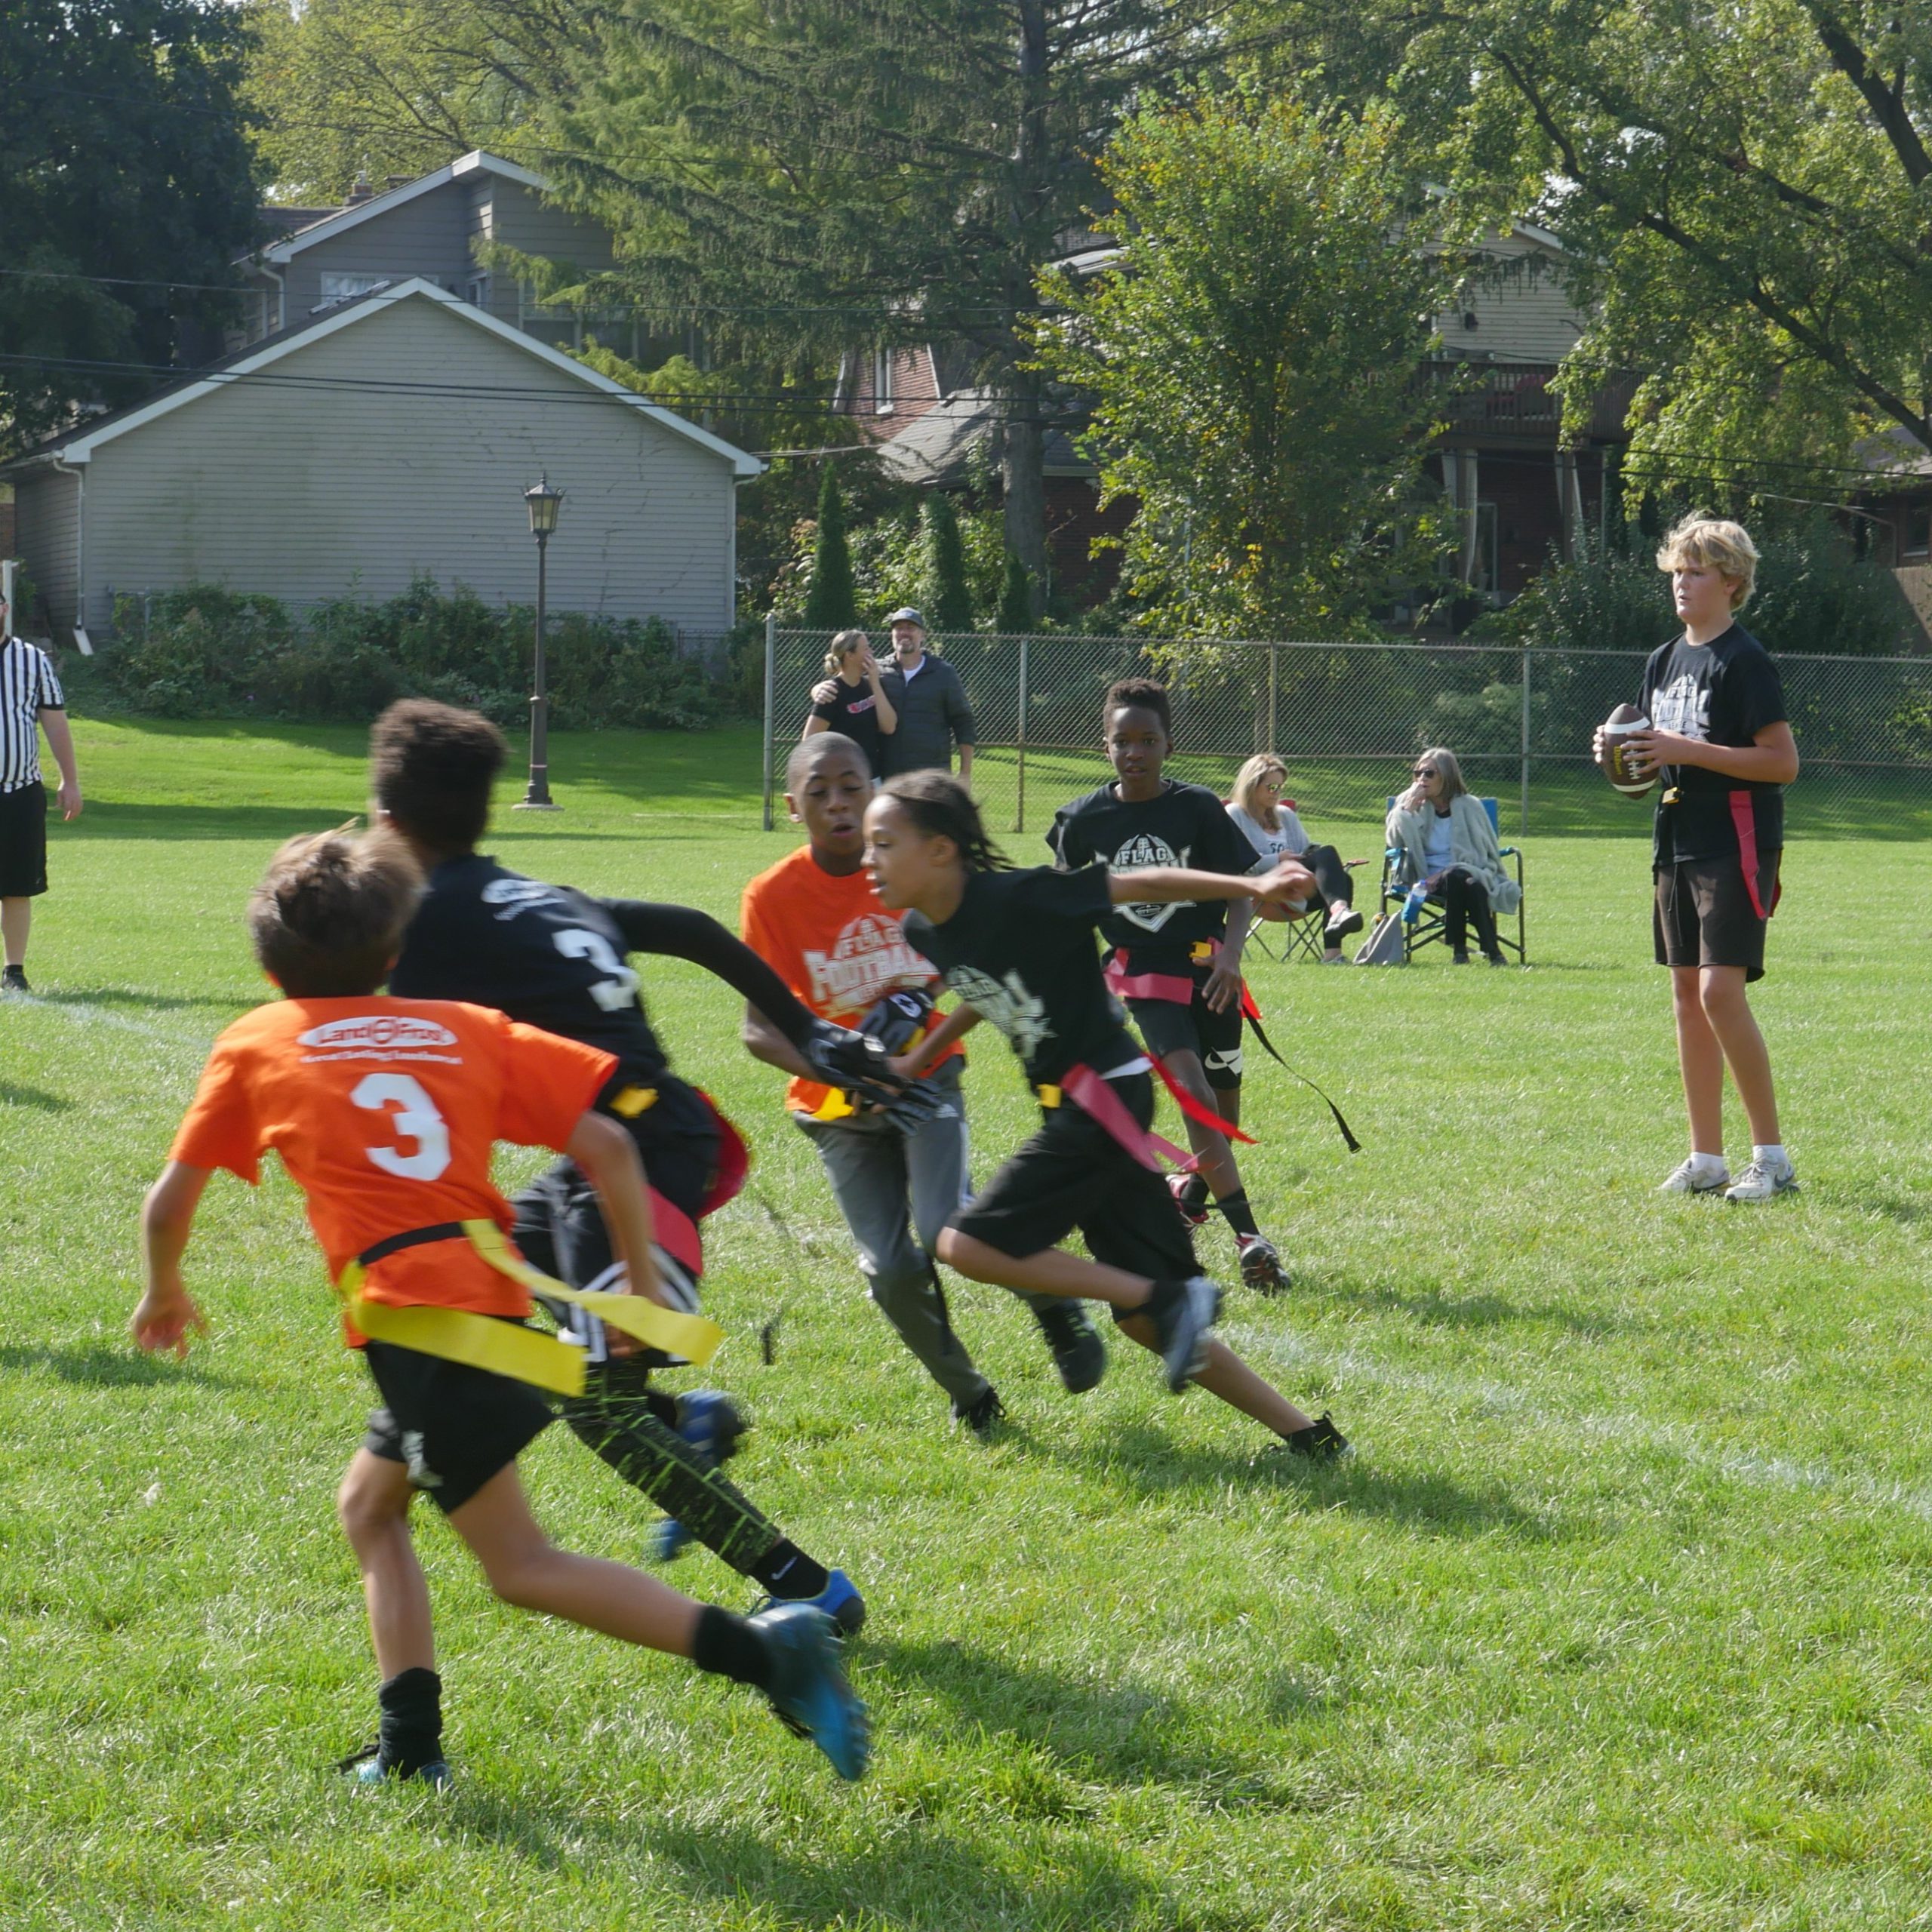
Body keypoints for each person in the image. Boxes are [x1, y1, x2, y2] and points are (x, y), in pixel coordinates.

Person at [131, 826, 869, 1786]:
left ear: (269, 963)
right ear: (394, 952)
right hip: (481, 1301)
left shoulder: (256, 1040)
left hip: (419, 1323)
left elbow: (168, 1203)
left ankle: (768, 1650)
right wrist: (643, 1285)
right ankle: (409, 1751)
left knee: (522, 1568)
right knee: (370, 1504)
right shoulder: (454, 1026)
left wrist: (164, 1290)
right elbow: (606, 1142)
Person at [365, 700, 905, 1634]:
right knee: (497, 1270)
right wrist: (809, 1027)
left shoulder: (428, 923)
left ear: (388, 817)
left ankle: (805, 1586)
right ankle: (686, 1419)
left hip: (637, 1156)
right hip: (626, 1147)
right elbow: (692, 926)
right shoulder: (532, 893)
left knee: (600, 1410)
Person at [867, 773, 1348, 1460]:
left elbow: (1141, 884)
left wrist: (1252, 887)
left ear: (941, 849)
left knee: (962, 1244)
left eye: (884, 842)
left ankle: (1168, 1296)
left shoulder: (1021, 894)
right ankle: (1309, 1437)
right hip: (1091, 1110)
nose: (869, 859)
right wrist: (916, 1061)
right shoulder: (927, 928)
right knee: (1145, 1323)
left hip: (1105, 1097)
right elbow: (986, 983)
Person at [741, 731, 1105, 1436]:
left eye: (852, 786)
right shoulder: (773, 897)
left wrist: (917, 997)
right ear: (793, 807)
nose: (839, 805)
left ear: (876, 789)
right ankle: (971, 1395)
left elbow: (972, 952)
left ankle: (1051, 1303)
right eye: (819, 793)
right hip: (836, 1109)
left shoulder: (908, 863)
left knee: (947, 1230)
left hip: (925, 1083)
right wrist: (833, 1057)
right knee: (888, 1268)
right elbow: (758, 1029)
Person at [1048, 679, 1291, 1296]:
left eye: (1147, 740)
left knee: (1224, 1106)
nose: (1135, 752)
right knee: (1192, 1091)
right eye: (1122, 741)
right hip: (1142, 973)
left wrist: (1232, 956)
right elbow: (1065, 907)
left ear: (1168, 745)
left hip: (1210, 971)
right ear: (1105, 746)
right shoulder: (1082, 821)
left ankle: (1186, 1193)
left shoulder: (1199, 809)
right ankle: (1249, 1237)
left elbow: (1241, 891)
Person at [1593, 515, 1799, 1203]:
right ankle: (1706, 1158)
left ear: (1731, 582)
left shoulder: (1744, 659)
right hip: (1675, 839)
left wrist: (1685, 751)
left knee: (1719, 991)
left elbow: (1781, 763)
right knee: (1687, 995)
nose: (1682, 583)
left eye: (1697, 571)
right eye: (1677, 571)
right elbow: (1653, 765)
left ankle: (1771, 1158)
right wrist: (1619, 755)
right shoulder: (1663, 659)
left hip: (1735, 838)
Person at [0, 590, 83, 993]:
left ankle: (14, 970)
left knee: (16, 884)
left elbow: (55, 723)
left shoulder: (32, 660)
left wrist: (70, 779)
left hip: (19, 790)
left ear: (4, 609)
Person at [1384, 748, 1519, 966]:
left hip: (1466, 874)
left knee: (1463, 879)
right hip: (1424, 880)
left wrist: (1465, 868)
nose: (1422, 779)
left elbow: (1488, 850)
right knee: (1465, 881)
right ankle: (1491, 949)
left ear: (1446, 775)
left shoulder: (1470, 805)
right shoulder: (1407, 803)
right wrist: (1406, 813)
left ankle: (1461, 952)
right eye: (1418, 773)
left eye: (1429, 773)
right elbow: (1393, 843)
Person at [1226, 754, 1364, 964]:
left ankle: (1333, 953)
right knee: (1327, 854)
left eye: (1281, 787)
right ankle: (1339, 911)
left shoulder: (1284, 814)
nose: (1277, 793)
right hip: (1263, 890)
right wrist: (1278, 859)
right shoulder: (1235, 813)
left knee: (1341, 874)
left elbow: (1305, 848)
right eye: (1271, 787)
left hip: (1298, 888)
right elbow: (1239, 863)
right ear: (1252, 785)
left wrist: (1309, 855)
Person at [877, 608, 975, 780]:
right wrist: (819, 688)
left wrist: (965, 773)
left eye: (910, 627)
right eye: (899, 628)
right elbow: (846, 683)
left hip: (931, 777)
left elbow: (963, 722)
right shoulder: (878, 671)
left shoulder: (943, 673)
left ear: (922, 635)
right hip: (888, 776)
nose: (904, 633)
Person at [804, 629, 897, 776]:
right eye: (866, 648)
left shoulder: (871, 685)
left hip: (871, 776)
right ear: (850, 655)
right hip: (844, 779)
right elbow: (809, 740)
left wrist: (875, 682)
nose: (871, 652)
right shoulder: (832, 692)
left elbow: (889, 727)